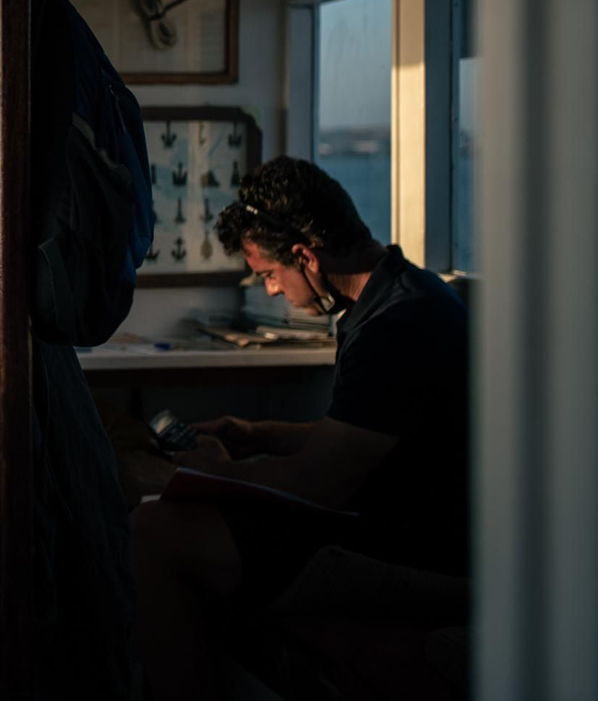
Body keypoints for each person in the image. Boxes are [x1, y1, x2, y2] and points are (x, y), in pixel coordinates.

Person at [130, 156, 468, 701]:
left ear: (306, 257)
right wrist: (258, 433)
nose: (269, 291)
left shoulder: (396, 327)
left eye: (268, 275)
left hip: (410, 548)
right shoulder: (401, 294)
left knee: (152, 532)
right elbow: (358, 434)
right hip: (389, 521)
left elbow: (320, 483)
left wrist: (223, 471)